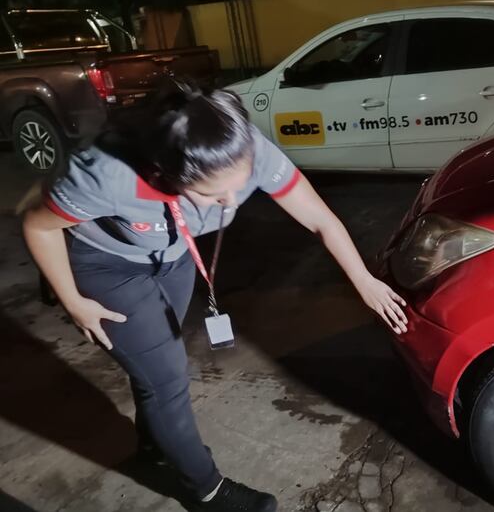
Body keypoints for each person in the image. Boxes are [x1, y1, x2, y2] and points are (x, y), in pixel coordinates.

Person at [21, 83, 408, 512]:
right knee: (167, 380)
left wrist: (364, 280)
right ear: (165, 172)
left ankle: (154, 449)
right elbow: (38, 226)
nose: (229, 202)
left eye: (238, 186)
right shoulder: (106, 174)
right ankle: (206, 491)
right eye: (210, 194)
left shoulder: (243, 148)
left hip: (175, 257)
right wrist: (73, 301)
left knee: (158, 371)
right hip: (108, 265)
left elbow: (318, 217)